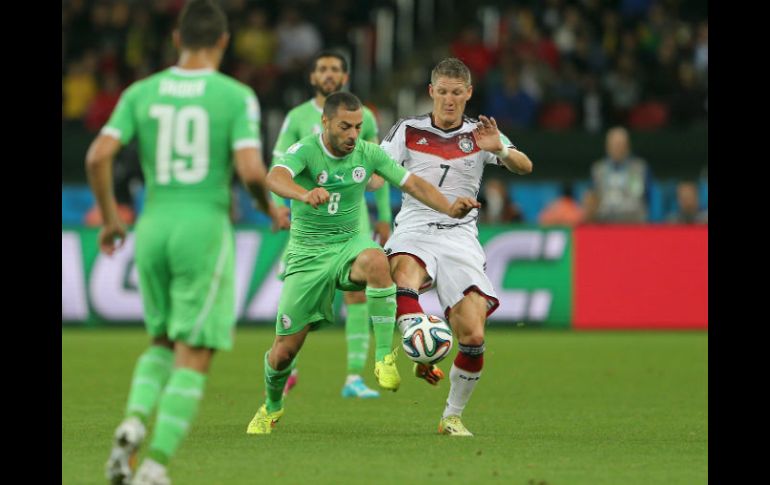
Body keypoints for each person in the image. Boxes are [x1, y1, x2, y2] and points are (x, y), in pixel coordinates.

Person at [86, 2, 280, 483]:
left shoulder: (141, 92)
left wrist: (112, 220)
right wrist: (266, 206)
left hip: (153, 226)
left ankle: (133, 424)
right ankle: (153, 467)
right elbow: (252, 170)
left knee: (161, 340)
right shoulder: (235, 96)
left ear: (176, 40)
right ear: (223, 42)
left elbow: (98, 157)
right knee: (194, 352)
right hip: (203, 228)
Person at [245, 92, 480, 434]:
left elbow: (412, 183)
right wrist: (303, 193)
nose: (353, 134)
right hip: (308, 254)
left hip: (349, 244)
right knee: (283, 352)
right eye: (345, 126)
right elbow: (274, 177)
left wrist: (447, 208)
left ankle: (384, 356)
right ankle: (272, 405)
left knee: (376, 259)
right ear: (325, 123)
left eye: (357, 126)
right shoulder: (307, 151)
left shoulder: (367, 153)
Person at [380, 57, 533, 437]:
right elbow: (377, 168)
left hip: (459, 237)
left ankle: (451, 416)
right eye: (442, 92)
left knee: (474, 336)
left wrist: (502, 149)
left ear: (468, 94)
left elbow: (525, 166)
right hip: (414, 227)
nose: (449, 100)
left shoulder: (480, 134)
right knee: (405, 272)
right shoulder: (408, 130)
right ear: (431, 92)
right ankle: (417, 345)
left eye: (456, 93)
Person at [271, 50, 393, 399]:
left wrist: (383, 215)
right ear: (312, 77)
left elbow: (377, 167)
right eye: (322, 69)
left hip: (352, 222)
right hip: (309, 223)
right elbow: (280, 164)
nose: (329, 74)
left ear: (345, 77)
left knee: (357, 295)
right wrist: (280, 205)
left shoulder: (364, 117)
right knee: (299, 297)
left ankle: (354, 377)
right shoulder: (296, 117)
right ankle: (287, 363)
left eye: (335, 69)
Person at [590, 126, 652, 223]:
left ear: (627, 146)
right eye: (614, 144)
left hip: (632, 221)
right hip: (604, 221)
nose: (617, 148)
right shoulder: (598, 169)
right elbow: (596, 196)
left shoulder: (638, 168)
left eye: (620, 144)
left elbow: (638, 196)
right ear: (607, 146)